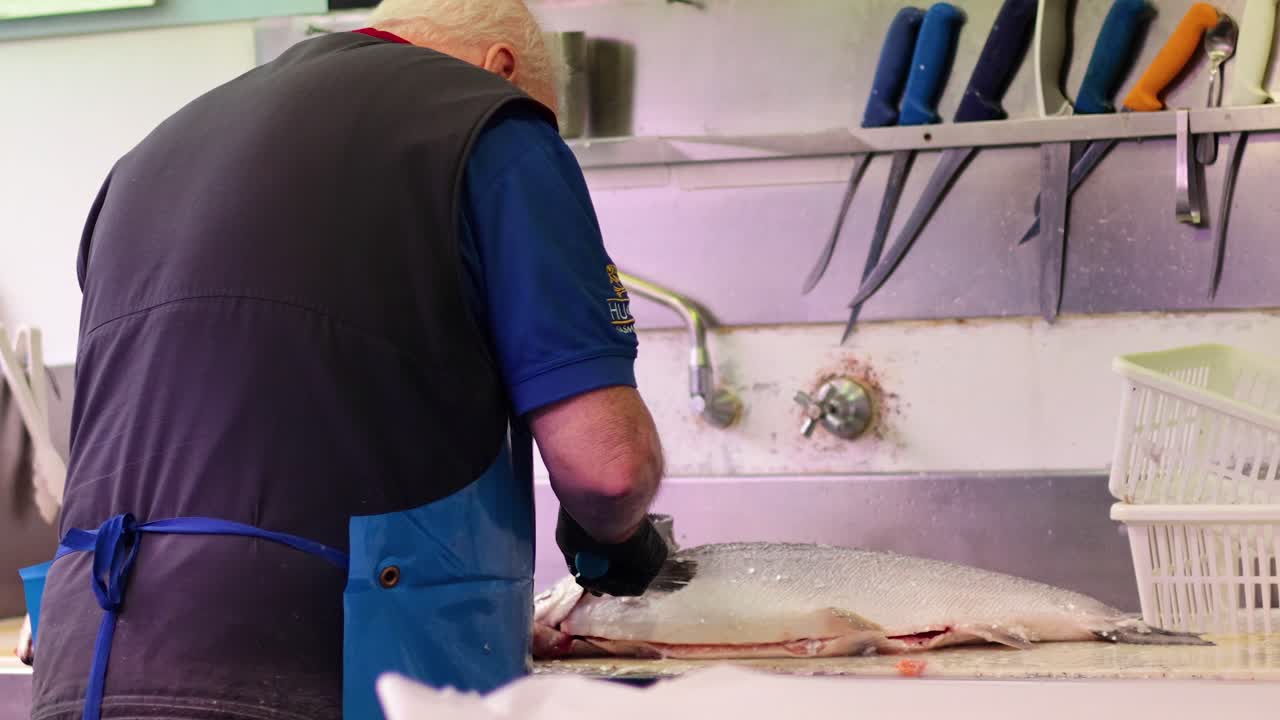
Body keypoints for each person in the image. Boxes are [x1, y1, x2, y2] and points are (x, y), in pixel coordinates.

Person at [27, 1, 672, 718]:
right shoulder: (493, 124)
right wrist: (617, 541)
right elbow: (606, 470)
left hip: (87, 664)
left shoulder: (148, 154)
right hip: (322, 661)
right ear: (501, 70)